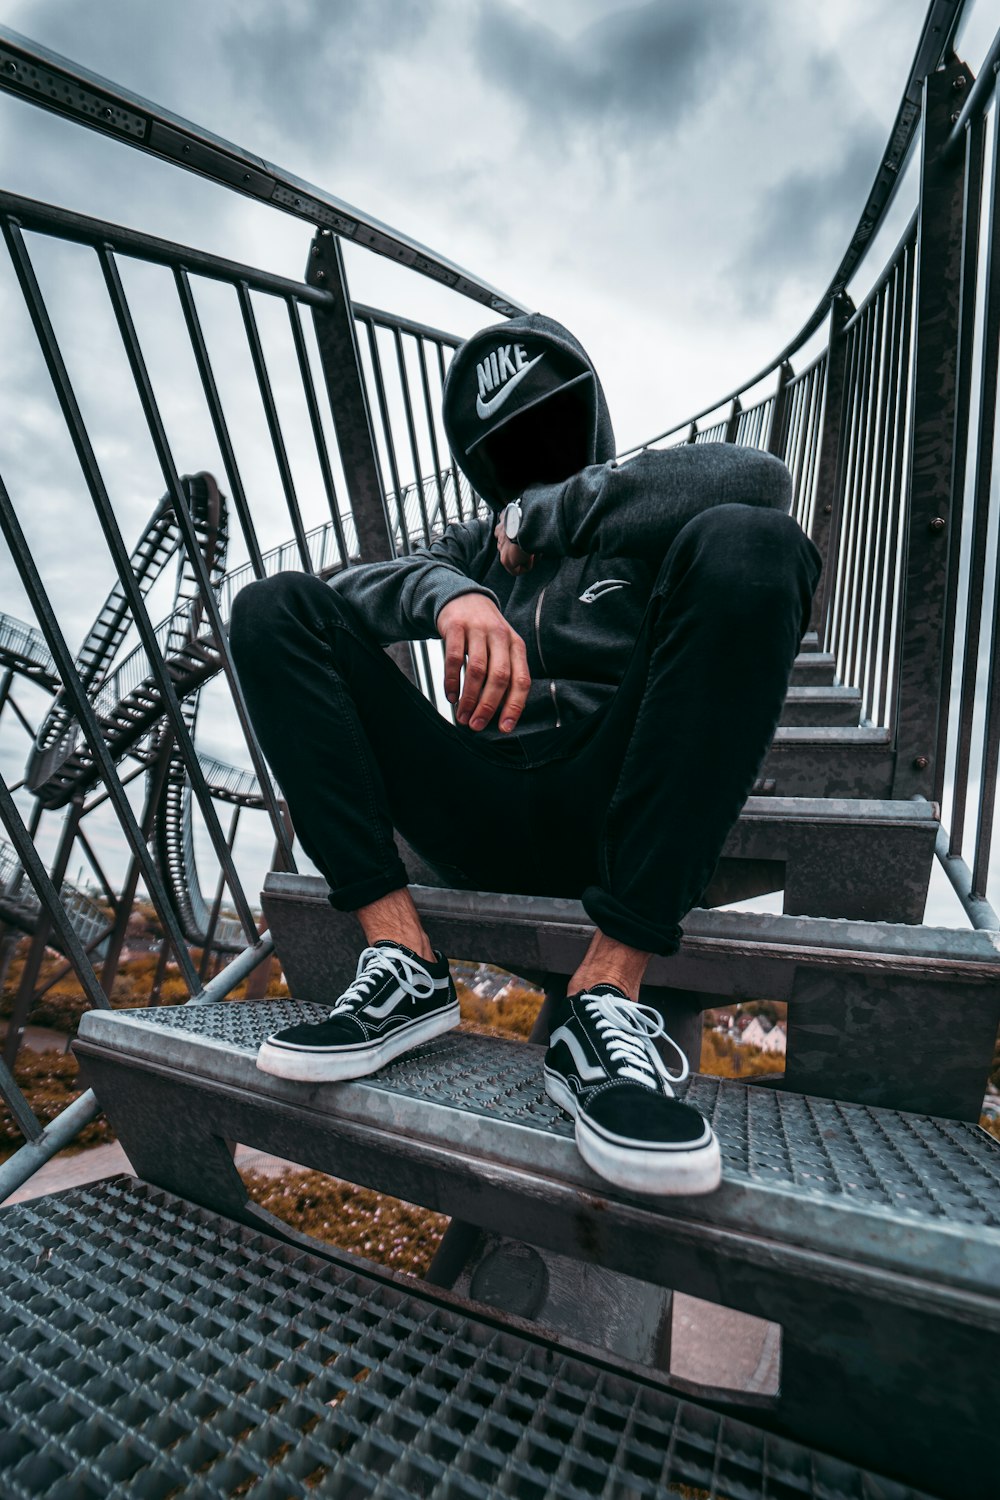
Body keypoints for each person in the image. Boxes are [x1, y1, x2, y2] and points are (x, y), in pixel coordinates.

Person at [230, 313, 821, 1198]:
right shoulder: (472, 550)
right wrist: (452, 592)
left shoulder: (643, 518)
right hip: (481, 804)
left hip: (618, 802)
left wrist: (550, 511)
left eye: (552, 429)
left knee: (756, 541)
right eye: (509, 452)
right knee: (270, 608)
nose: (533, 458)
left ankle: (606, 997)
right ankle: (402, 963)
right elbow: (343, 592)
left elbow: (760, 477)